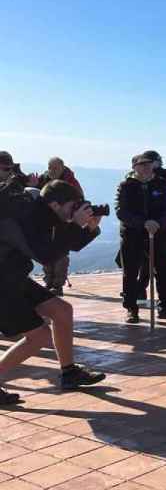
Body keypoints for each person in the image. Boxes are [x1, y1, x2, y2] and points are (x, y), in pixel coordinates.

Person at [0, 180, 106, 404]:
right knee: (39, 336)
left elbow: (69, 244)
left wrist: (90, 227)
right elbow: (45, 256)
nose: (74, 211)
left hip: (12, 276)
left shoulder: (46, 213)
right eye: (72, 206)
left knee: (62, 311)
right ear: (55, 204)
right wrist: (76, 224)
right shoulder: (22, 217)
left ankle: (69, 373)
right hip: (3, 282)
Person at [116, 153, 166, 323]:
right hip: (132, 235)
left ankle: (165, 307)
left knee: (163, 270)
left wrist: (158, 224)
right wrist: (143, 223)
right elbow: (121, 211)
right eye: (141, 165)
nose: (145, 167)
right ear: (134, 167)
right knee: (130, 271)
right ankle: (131, 308)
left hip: (158, 235)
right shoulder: (125, 186)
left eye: (148, 164)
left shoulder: (162, 184)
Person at [36, 157, 83, 296]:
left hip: (64, 222)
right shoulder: (43, 179)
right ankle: (48, 281)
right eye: (50, 167)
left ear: (62, 167)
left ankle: (57, 285)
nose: (52, 171)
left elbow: (79, 198)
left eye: (55, 168)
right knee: (46, 252)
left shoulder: (71, 181)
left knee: (61, 254)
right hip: (45, 222)